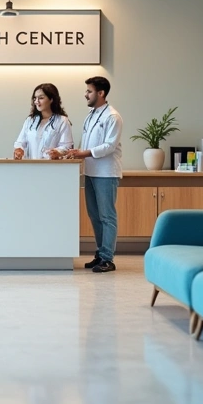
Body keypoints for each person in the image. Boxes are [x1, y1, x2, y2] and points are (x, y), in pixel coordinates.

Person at [66, 76, 123, 273]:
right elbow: (86, 143)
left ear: (101, 93)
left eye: (89, 91)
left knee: (107, 216)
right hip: (90, 171)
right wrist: (74, 154)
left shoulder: (113, 117)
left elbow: (109, 146)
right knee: (94, 215)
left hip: (106, 173)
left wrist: (84, 153)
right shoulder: (91, 115)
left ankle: (108, 258)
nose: (86, 95)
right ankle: (100, 253)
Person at [13, 83, 74, 160]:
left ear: (51, 99)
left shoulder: (62, 121)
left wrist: (57, 152)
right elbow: (20, 142)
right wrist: (19, 149)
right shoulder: (30, 120)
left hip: (52, 167)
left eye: (41, 98)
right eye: (35, 98)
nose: (36, 101)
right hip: (30, 166)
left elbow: (66, 146)